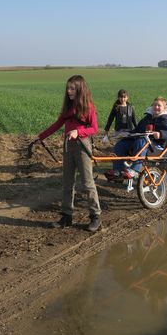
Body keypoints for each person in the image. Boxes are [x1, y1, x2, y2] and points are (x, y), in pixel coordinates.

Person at [37, 75, 101, 232]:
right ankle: (66, 216)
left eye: (72, 88)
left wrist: (78, 131)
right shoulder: (68, 107)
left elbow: (94, 129)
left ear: (80, 89)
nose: (69, 91)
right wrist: (40, 137)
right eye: (68, 88)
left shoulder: (89, 107)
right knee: (67, 183)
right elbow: (58, 123)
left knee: (87, 183)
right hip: (68, 146)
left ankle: (95, 216)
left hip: (82, 146)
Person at [107, 97, 167, 179]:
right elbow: (137, 130)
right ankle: (118, 170)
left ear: (164, 108)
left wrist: (160, 134)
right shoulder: (147, 118)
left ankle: (135, 170)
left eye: (159, 105)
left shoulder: (166, 120)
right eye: (154, 105)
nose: (156, 107)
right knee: (121, 144)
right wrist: (126, 134)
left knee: (141, 141)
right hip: (142, 143)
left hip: (157, 146)